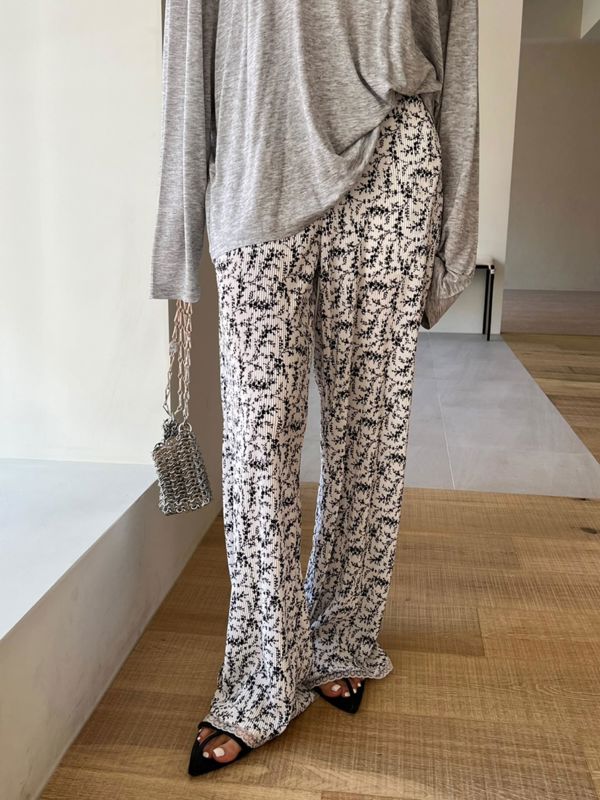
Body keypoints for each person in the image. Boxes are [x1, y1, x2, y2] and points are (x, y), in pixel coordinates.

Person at [149, 0, 479, 776]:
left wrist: (453, 245)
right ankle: (263, 674)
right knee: (257, 452)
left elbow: (458, 43)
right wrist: (177, 245)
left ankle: (342, 633)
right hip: (257, 153)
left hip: (394, 161)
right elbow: (188, 49)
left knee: (370, 439)